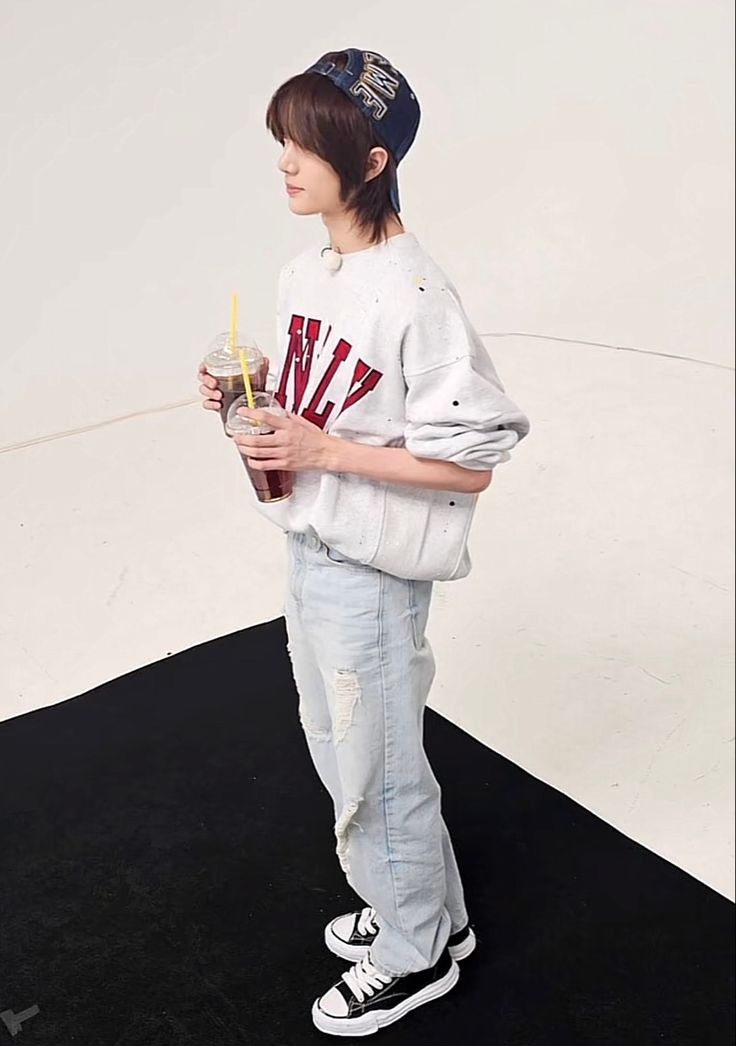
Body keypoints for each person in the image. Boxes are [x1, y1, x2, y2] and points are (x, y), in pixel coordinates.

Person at [198, 48, 531, 1038]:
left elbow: (470, 462)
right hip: (310, 544)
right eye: (283, 141)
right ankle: (438, 914)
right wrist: (250, 391)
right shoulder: (308, 270)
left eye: (307, 144)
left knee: (375, 768)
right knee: (342, 745)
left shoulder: (417, 297)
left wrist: (320, 446)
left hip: (374, 568)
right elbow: (322, 406)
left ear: (372, 160)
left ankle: (413, 949)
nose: (286, 161)